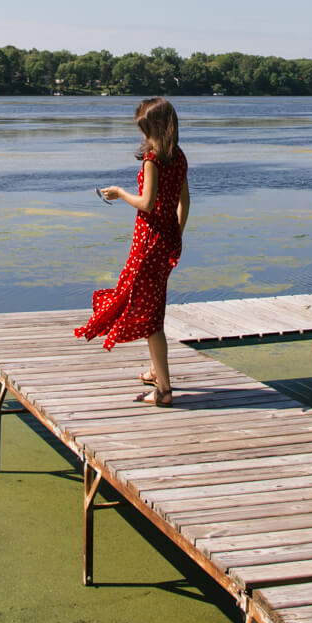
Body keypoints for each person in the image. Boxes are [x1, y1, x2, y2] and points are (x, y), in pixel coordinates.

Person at [75, 96, 190, 406]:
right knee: (152, 305)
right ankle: (156, 371)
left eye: (145, 130)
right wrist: (175, 235)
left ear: (155, 129)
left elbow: (147, 203)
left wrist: (120, 193)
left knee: (151, 317)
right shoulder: (178, 157)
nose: (143, 137)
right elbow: (185, 203)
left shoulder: (152, 159)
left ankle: (164, 390)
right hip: (165, 240)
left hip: (148, 243)